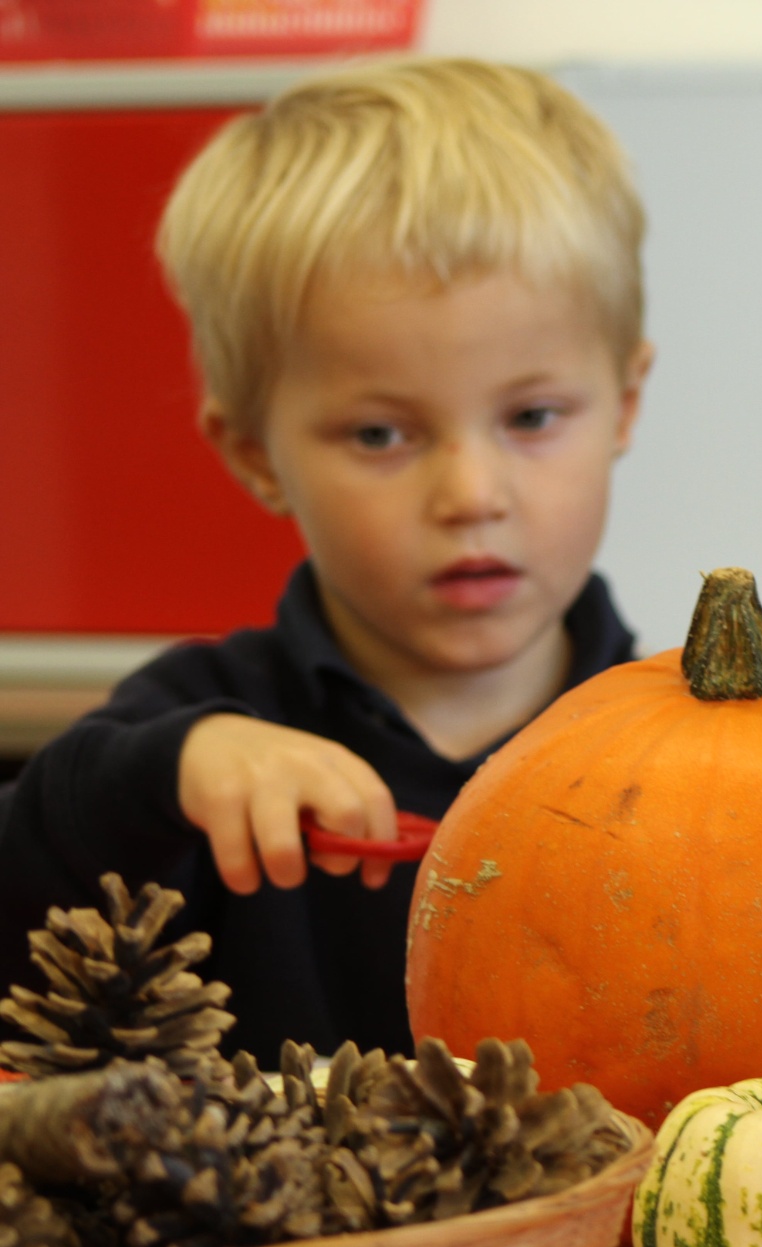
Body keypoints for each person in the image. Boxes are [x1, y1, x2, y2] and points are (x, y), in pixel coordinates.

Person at [0, 59, 652, 1066]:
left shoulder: (683, 748)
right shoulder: (197, 737)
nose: (471, 493)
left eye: (531, 416)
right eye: (381, 435)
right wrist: (164, 771)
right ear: (257, 452)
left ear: (626, 402)